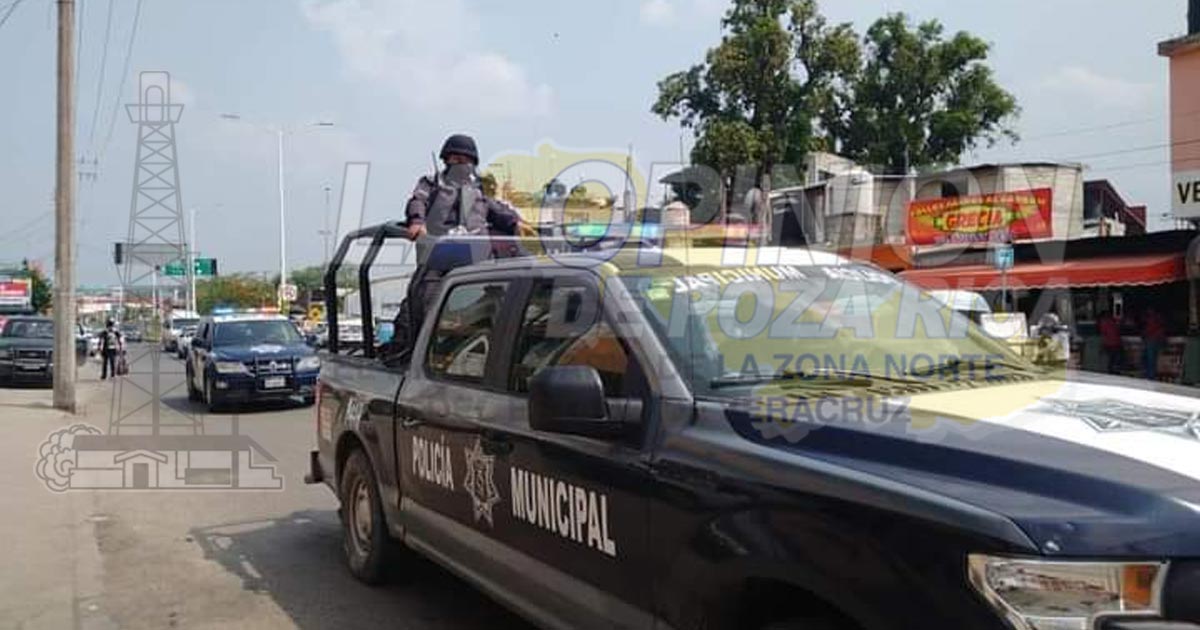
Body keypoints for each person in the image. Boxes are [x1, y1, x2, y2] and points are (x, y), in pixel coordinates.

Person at [392, 134, 527, 354]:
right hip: (438, 258)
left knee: (500, 302)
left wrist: (516, 222)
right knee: (428, 303)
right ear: (446, 159)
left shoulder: (479, 189)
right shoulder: (432, 183)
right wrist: (417, 221)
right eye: (455, 158)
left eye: (466, 160)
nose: (461, 164)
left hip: (477, 262)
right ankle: (423, 352)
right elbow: (418, 201)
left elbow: (497, 209)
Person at [1142, 306, 1167, 380]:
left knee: (1150, 359)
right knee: (1151, 358)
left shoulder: (1153, 319)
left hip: (1152, 340)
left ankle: (1150, 375)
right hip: (1156, 340)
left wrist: (1144, 334)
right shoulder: (1158, 319)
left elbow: (1150, 329)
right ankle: (1150, 374)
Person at [1097, 310, 1123, 375]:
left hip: (1110, 343)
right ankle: (1114, 371)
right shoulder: (1113, 321)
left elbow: (1104, 335)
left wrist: (1102, 346)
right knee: (1115, 359)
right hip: (1116, 343)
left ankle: (1111, 371)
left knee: (1111, 359)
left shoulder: (1104, 322)